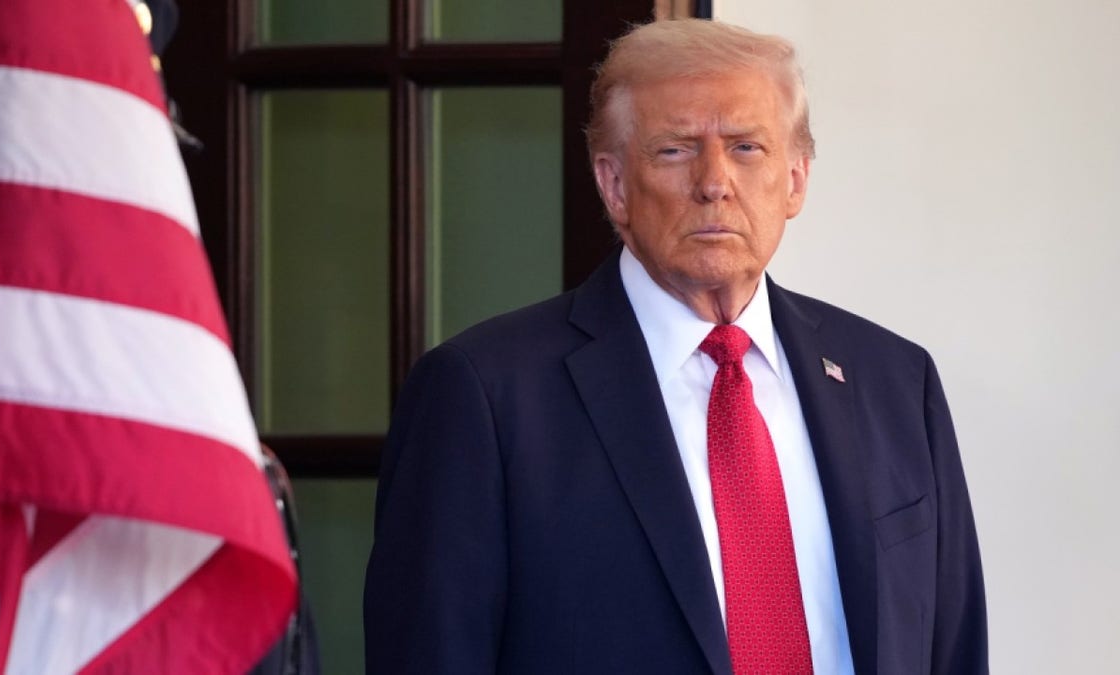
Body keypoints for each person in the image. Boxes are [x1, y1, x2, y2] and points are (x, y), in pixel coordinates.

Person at [364, 18, 986, 675]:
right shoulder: (483, 395)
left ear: (796, 179)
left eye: (747, 148)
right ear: (614, 185)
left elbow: (954, 648)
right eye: (675, 150)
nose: (714, 181)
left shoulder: (894, 380)